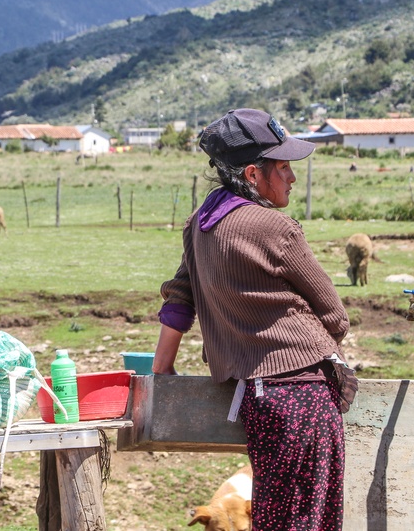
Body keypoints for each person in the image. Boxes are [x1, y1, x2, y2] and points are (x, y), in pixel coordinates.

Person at [153, 108, 350, 531]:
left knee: (276, 519)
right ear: (252, 174)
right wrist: (318, 352)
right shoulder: (277, 229)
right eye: (283, 168)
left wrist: (162, 366)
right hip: (303, 399)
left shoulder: (200, 224)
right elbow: (335, 315)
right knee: (308, 520)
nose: (292, 178)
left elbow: (180, 296)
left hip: (258, 402)